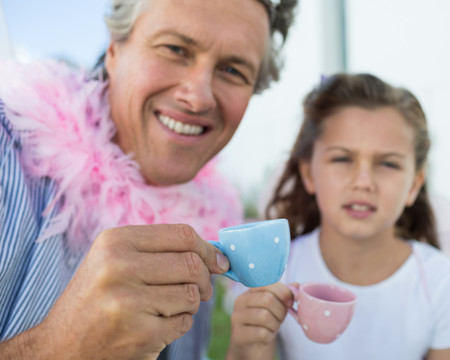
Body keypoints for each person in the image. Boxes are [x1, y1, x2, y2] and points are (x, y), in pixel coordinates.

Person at [0, 0, 297, 359]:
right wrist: (53, 347)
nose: (198, 96)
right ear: (114, 47)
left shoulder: (202, 222)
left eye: (233, 70)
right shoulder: (7, 151)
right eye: (175, 49)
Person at [227, 73, 450, 360]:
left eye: (387, 163)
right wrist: (247, 345)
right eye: (342, 159)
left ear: (414, 185)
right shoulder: (275, 274)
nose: (363, 182)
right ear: (309, 173)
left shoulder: (443, 283)